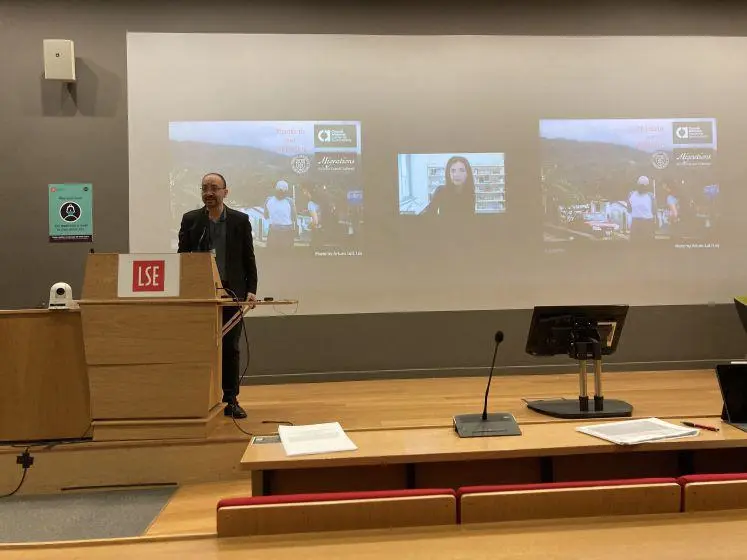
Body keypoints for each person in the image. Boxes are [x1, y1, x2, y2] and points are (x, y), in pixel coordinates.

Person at [178, 172, 258, 419]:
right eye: (205, 188)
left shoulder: (240, 220)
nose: (209, 193)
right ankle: (200, 397)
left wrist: (252, 290)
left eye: (214, 188)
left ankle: (230, 399)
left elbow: (248, 256)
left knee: (230, 347)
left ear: (225, 191)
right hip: (201, 295)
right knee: (200, 346)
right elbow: (182, 258)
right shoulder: (191, 220)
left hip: (232, 293)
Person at [264, 180, 298, 252]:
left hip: (273, 230)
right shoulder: (290, 201)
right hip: (287, 230)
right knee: (286, 254)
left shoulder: (268, 200)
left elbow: (266, 215)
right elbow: (294, 217)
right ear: (286, 191)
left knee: (272, 254)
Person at [627, 176, 656, 242]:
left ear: (637, 185)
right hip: (648, 223)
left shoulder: (631, 194)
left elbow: (629, 209)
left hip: (635, 223)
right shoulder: (651, 196)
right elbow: (654, 211)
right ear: (647, 186)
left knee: (635, 245)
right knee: (647, 245)